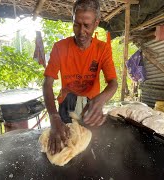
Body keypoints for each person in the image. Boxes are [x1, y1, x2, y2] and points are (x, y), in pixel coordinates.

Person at [42, 0, 118, 155]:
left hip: (91, 105)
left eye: (87, 25)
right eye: (76, 24)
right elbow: (47, 84)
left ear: (96, 23)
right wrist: (54, 116)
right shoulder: (60, 47)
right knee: (64, 145)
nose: (80, 31)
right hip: (66, 102)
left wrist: (100, 100)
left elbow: (113, 83)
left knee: (90, 149)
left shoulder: (102, 49)